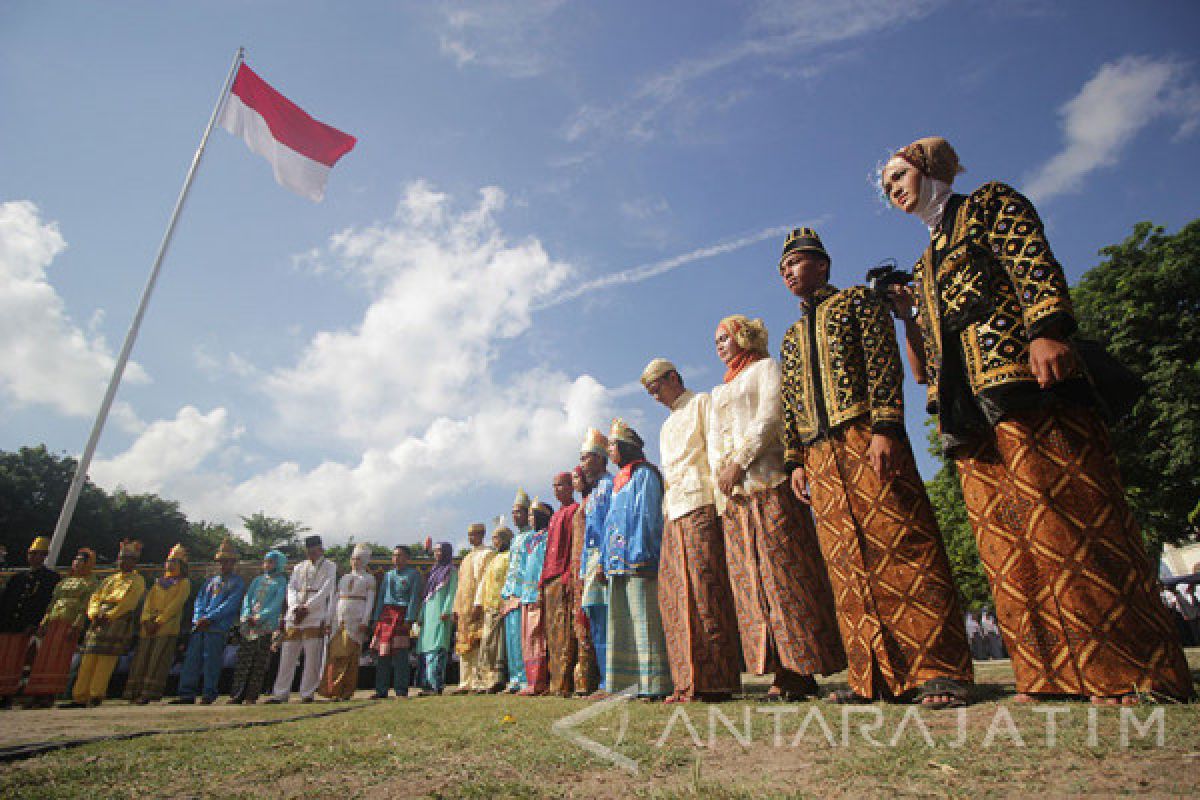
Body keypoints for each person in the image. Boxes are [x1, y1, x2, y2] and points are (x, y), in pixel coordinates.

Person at [879, 135, 1191, 704]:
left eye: (899, 175)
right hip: (968, 404)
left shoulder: (990, 202)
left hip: (1023, 379)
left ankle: (1127, 670)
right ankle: (1046, 674)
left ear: (927, 168)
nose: (893, 188)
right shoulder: (925, 261)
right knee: (1005, 538)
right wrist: (907, 316)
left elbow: (1032, 260)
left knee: (1065, 518)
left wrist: (1046, 329)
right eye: (886, 186)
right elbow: (924, 368)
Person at [776, 228, 973, 708]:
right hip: (819, 456)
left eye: (797, 262)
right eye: (783, 268)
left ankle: (939, 671)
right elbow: (789, 403)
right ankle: (872, 677)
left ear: (822, 265)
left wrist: (886, 426)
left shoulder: (857, 303)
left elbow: (885, 363)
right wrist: (795, 460)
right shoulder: (789, 337)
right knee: (845, 563)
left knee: (902, 542)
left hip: (866, 435)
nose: (788, 272)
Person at [709, 315, 846, 701]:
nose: (719, 346)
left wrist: (740, 461)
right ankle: (777, 668)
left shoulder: (766, 368)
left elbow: (771, 417)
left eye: (725, 338)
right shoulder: (719, 391)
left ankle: (802, 666)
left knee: (784, 574)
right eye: (716, 341)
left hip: (769, 481)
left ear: (743, 336)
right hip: (736, 496)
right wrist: (724, 476)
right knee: (752, 583)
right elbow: (715, 440)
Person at [641, 358, 741, 703]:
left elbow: (714, 454)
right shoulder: (666, 426)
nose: (655, 397)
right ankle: (686, 681)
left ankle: (716, 680)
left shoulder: (701, 403)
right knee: (675, 593)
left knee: (705, 589)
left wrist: (720, 505)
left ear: (673, 378)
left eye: (657, 388)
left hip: (701, 503)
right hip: (674, 510)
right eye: (650, 393)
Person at [598, 419, 673, 700]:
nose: (609, 451)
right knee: (622, 622)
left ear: (626, 447)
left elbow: (648, 516)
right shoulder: (618, 483)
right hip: (617, 565)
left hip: (639, 560)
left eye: (612, 445)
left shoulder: (645, 475)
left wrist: (642, 553)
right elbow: (608, 525)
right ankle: (626, 683)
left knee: (645, 620)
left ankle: (653, 682)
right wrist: (606, 560)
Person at [66, 539, 146, 707]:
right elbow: (95, 597)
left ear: (135, 561)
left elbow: (129, 603)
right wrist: (94, 613)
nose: (123, 562)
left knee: (106, 659)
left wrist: (109, 615)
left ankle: (96, 694)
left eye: (127, 559)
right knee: (88, 657)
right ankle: (79, 695)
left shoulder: (137, 580)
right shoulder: (109, 579)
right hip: (98, 620)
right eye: (121, 558)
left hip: (116, 621)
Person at [173, 538, 246, 704]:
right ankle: (186, 693)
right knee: (192, 660)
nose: (223, 565)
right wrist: (198, 618)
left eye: (227, 562)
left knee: (212, 662)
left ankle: (209, 693)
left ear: (233, 563)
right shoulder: (210, 582)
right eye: (221, 562)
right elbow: (199, 600)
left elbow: (230, 605)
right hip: (200, 627)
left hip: (217, 627)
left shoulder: (237, 582)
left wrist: (210, 618)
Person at [24, 549, 98, 708]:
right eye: (75, 560)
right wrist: (44, 622)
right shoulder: (64, 582)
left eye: (81, 561)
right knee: (43, 657)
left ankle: (50, 693)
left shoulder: (91, 582)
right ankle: (36, 692)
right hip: (54, 621)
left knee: (60, 658)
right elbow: (52, 603)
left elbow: (85, 606)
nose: (77, 563)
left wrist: (76, 625)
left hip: (69, 623)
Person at [268, 535, 337, 703]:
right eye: (309, 552)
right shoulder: (299, 567)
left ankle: (307, 692)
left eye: (315, 551)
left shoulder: (329, 567)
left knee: (312, 656)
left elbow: (327, 589)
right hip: (296, 612)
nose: (312, 555)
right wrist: (294, 606)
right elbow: (291, 587)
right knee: (288, 655)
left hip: (315, 612)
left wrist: (308, 607)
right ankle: (280, 693)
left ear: (321, 550)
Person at [125, 544, 191, 704]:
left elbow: (176, 605)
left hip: (166, 626)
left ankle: (149, 692)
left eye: (174, 561)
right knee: (142, 658)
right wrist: (146, 619)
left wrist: (160, 620)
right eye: (169, 561)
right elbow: (147, 602)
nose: (170, 564)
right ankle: (134, 691)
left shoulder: (183, 583)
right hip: (148, 626)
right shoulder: (158, 583)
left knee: (157, 659)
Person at [0, 536, 60, 708]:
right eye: (32, 554)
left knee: (20, 662)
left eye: (39, 554)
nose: (34, 557)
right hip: (10, 625)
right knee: (4, 661)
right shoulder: (17, 578)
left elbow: (45, 604)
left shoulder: (51, 579)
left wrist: (36, 623)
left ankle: (11, 695)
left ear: (45, 557)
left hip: (28, 626)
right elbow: (6, 601)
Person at [577, 429, 614, 695]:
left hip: (604, 561)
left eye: (586, 458)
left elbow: (612, 527)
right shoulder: (593, 493)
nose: (582, 464)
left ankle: (610, 681)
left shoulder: (610, 486)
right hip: (590, 562)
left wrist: (603, 561)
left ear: (601, 459)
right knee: (595, 620)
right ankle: (604, 680)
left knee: (606, 619)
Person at [319, 543, 377, 700]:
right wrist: (329, 619)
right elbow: (335, 599)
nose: (354, 562)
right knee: (334, 655)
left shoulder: (368, 579)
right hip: (339, 619)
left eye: (358, 559)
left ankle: (344, 690)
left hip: (356, 620)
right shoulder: (344, 577)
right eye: (352, 559)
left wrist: (365, 620)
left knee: (349, 655)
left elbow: (370, 601)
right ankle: (330, 689)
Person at [230, 550, 288, 704]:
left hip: (265, 625)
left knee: (259, 661)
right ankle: (237, 694)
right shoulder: (257, 580)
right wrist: (247, 615)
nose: (267, 565)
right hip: (249, 625)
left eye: (271, 562)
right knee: (244, 659)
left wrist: (260, 617)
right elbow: (247, 598)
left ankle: (251, 695)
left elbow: (276, 603)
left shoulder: (281, 582)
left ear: (278, 564)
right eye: (266, 562)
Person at [540, 473, 580, 697]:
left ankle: (565, 683)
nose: (557, 490)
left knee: (564, 630)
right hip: (549, 578)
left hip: (563, 576)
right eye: (554, 486)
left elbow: (574, 545)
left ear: (570, 487)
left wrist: (567, 573)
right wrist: (542, 579)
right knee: (551, 633)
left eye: (561, 485)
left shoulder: (574, 511)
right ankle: (554, 682)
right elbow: (548, 552)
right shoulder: (555, 516)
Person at [448, 524, 495, 694]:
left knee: (477, 643)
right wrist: (455, 606)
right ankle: (464, 681)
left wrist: (478, 603)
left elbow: (484, 580)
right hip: (463, 607)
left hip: (477, 605)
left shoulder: (487, 554)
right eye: (469, 535)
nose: (471, 538)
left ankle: (478, 680)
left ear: (482, 535)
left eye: (474, 535)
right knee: (463, 645)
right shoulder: (466, 558)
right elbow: (460, 585)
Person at [371, 545, 422, 699]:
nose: (396, 558)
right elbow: (381, 597)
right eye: (394, 555)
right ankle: (381, 690)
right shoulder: (387, 575)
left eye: (400, 555)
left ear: (407, 558)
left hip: (402, 614)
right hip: (386, 615)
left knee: (400, 655)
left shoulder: (414, 575)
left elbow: (414, 598)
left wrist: (410, 618)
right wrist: (376, 618)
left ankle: (401, 690)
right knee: (383, 654)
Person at [568, 466, 600, 696]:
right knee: (580, 624)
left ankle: (593, 678)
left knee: (590, 620)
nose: (575, 482)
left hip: (590, 563)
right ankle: (583, 681)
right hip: (577, 567)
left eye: (577, 478)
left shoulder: (593, 500)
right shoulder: (581, 505)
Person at [516, 500, 551, 696]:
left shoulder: (547, 538)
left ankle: (540, 682)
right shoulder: (529, 540)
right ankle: (530, 681)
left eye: (532, 515)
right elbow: (522, 568)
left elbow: (544, 565)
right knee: (528, 638)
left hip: (538, 591)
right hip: (526, 595)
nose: (530, 519)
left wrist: (540, 589)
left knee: (539, 637)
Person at [473, 525, 514, 693]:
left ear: (504, 539)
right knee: (487, 643)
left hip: (502, 605)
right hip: (490, 606)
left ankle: (498, 679)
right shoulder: (494, 558)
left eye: (496, 538)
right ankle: (484, 680)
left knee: (498, 644)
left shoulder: (509, 557)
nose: (494, 541)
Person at [500, 489, 533, 693]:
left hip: (523, 593)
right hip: (509, 592)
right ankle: (513, 678)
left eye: (519, 512)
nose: (515, 516)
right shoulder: (514, 539)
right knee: (511, 639)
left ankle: (524, 679)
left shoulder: (532, 536)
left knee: (523, 639)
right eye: (513, 512)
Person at [414, 542, 458, 695]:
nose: (437, 553)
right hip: (428, 615)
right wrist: (421, 615)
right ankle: (426, 685)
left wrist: (447, 609)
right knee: (425, 648)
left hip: (441, 614)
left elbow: (452, 592)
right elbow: (426, 596)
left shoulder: (450, 571)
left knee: (438, 647)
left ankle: (436, 685)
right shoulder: (434, 572)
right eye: (435, 551)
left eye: (440, 551)